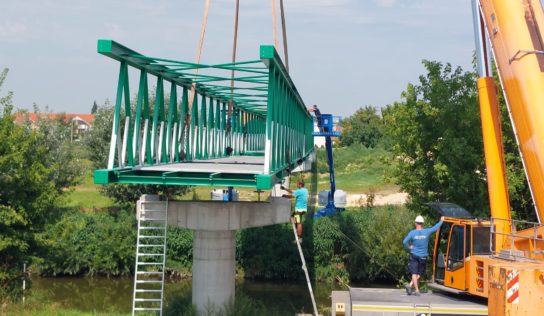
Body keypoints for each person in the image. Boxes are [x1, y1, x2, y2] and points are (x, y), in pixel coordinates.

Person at [402, 215, 444, 296]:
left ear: (415, 223)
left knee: (414, 273)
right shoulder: (427, 231)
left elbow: (404, 242)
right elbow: (435, 228)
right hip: (423, 256)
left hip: (414, 254)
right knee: (419, 273)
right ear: (423, 224)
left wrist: (409, 248)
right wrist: (441, 221)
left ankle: (410, 285)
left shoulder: (412, 233)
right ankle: (417, 290)